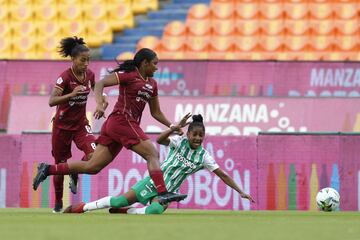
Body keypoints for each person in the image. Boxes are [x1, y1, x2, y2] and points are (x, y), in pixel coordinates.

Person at [33, 48, 187, 204]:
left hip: (119, 126)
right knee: (152, 153)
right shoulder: (130, 75)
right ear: (144, 63)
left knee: (92, 167)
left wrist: (173, 125)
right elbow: (100, 83)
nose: (156, 67)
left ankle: (47, 169)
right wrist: (99, 104)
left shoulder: (152, 84)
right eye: (154, 64)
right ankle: (162, 192)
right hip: (122, 120)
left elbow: (156, 112)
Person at [63, 114, 255, 214]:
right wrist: (175, 128)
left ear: (204, 137)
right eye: (194, 134)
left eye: (200, 136)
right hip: (153, 182)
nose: (197, 138)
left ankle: (128, 212)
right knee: (118, 200)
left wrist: (240, 191)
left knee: (154, 210)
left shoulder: (204, 157)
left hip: (168, 193)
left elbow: (223, 174)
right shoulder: (179, 142)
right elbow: (161, 139)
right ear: (187, 134)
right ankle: (83, 207)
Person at [48, 36, 108, 213]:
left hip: (81, 125)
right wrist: (71, 95)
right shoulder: (64, 77)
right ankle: (58, 202)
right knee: (59, 164)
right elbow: (52, 101)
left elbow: (97, 89)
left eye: (88, 60)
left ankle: (75, 171)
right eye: (83, 60)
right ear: (73, 59)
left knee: (93, 155)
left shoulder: (89, 75)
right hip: (62, 127)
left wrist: (101, 102)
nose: (86, 64)